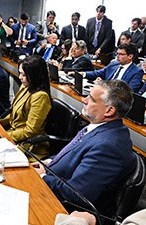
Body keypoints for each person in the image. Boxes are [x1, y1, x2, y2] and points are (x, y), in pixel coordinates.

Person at [37, 80, 136, 217]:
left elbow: (76, 194)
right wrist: (47, 163)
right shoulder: (99, 127)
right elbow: (70, 155)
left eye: (91, 99)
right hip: (53, 182)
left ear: (109, 110)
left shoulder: (108, 146)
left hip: (63, 208)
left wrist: (42, 176)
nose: (84, 100)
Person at [0, 55, 52, 159]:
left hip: (29, 145)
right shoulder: (25, 87)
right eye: (20, 73)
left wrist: (6, 136)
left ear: (34, 76)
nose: (20, 77)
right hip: (14, 135)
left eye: (23, 75)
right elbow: (13, 113)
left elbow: (30, 131)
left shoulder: (40, 96)